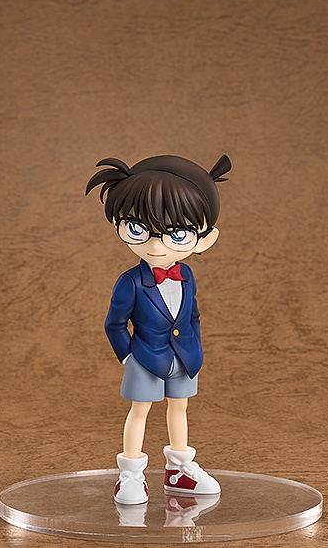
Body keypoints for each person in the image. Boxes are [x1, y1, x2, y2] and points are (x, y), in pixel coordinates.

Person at [85, 154, 230, 504]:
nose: (155, 245)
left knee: (179, 408)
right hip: (146, 358)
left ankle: (179, 470)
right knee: (140, 410)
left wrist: (195, 347)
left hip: (185, 358)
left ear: (204, 239)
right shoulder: (130, 282)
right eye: (138, 228)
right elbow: (114, 324)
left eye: (176, 234)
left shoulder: (187, 275)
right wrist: (129, 358)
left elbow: (192, 315)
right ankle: (130, 473)